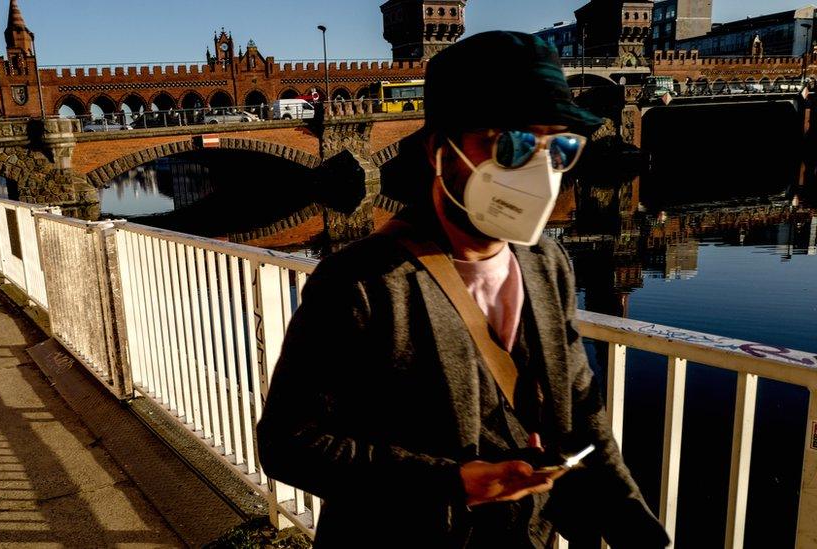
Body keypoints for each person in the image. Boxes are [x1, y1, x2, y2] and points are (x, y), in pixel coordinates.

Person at [256, 31, 670, 548]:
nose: (538, 170)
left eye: (559, 147)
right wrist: (449, 484)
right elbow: (288, 444)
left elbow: (582, 413)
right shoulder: (359, 282)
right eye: (510, 144)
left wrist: (639, 530)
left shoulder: (548, 264)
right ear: (439, 151)